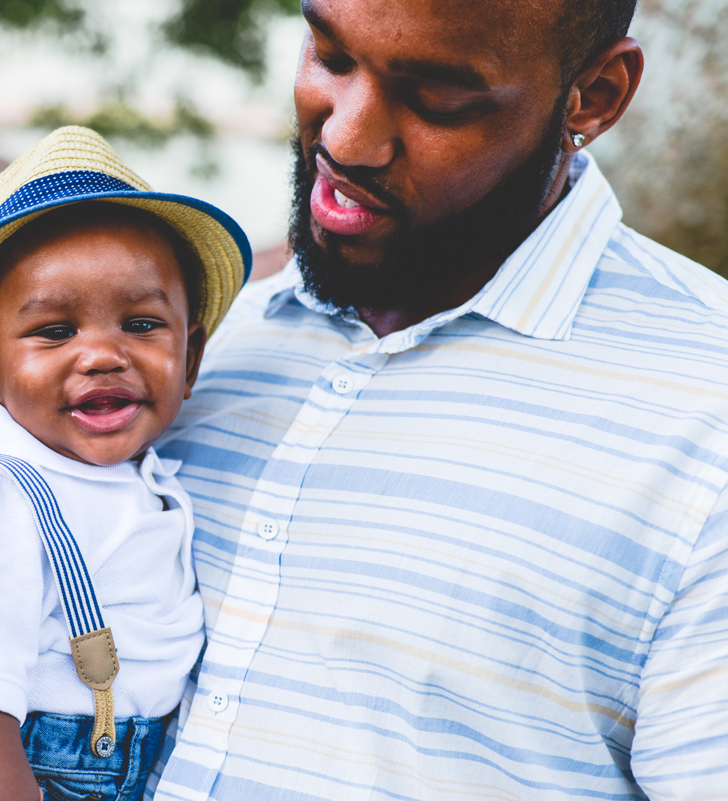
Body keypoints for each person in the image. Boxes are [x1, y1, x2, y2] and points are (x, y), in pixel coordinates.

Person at [151, 0, 728, 799]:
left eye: (438, 98)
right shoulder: (206, 346)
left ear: (593, 95)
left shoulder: (709, 410)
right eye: (330, 55)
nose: (346, 139)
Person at [0, 126, 251, 801]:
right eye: (55, 331)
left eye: (141, 324)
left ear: (191, 358)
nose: (102, 354)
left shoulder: (137, 482)